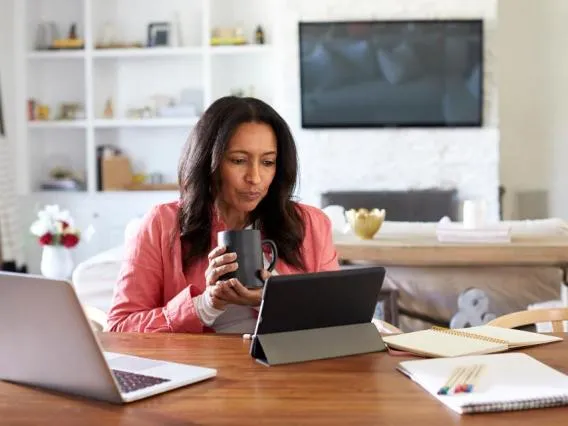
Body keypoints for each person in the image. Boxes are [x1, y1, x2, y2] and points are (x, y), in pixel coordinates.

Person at [106, 96, 339, 333]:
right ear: (209, 162)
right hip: (198, 368)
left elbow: (339, 322)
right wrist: (204, 306)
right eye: (239, 160)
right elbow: (119, 328)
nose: (255, 178)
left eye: (268, 162)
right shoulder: (162, 223)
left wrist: (275, 300)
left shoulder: (311, 224)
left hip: (283, 367)